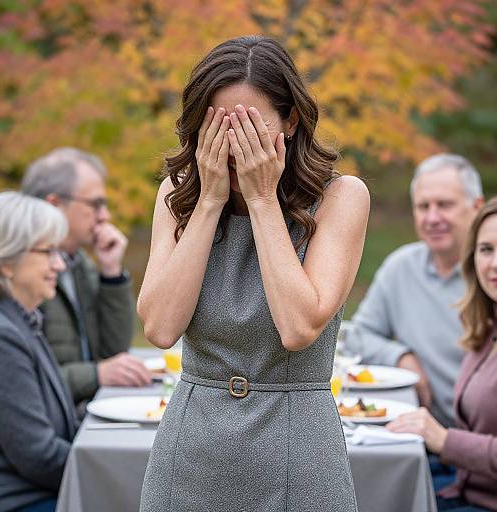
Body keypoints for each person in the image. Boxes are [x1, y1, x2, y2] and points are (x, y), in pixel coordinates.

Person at [137, 35, 369, 511]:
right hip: (190, 452)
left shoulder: (342, 198)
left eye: (252, 128)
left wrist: (262, 200)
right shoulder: (175, 196)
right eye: (220, 128)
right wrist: (209, 202)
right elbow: (160, 327)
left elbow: (299, 326)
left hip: (297, 450)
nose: (236, 146)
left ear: (290, 119)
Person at [345, 153, 484, 428]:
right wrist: (401, 357)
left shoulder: (494, 275)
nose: (432, 218)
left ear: (477, 207)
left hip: (484, 447)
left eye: (444, 205)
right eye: (423, 207)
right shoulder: (401, 268)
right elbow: (357, 336)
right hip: (421, 438)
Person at [387, 194, 497, 512]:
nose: (496, 263)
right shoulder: (490, 327)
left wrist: (443, 440)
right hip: (463, 484)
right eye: (487, 249)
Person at [21, 148, 151, 406]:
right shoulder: (19, 274)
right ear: (55, 204)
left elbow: (113, 352)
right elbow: (23, 383)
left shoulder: (79, 263)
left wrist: (111, 274)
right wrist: (95, 375)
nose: (106, 216)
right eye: (95, 204)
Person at [0, 191, 79, 512]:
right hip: (23, 501)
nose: (59, 264)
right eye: (47, 252)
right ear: (5, 263)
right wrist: (104, 465)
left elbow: (56, 422)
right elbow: (36, 455)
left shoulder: (22, 320)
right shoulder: (1, 335)